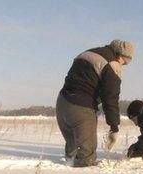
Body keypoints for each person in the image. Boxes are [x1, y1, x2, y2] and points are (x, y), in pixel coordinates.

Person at [56, 39, 134, 167]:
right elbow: (111, 99)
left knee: (72, 150)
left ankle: (68, 166)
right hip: (81, 108)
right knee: (86, 158)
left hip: (62, 103)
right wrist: (114, 128)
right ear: (121, 55)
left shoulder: (86, 53)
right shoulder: (113, 65)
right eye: (126, 61)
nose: (124, 65)